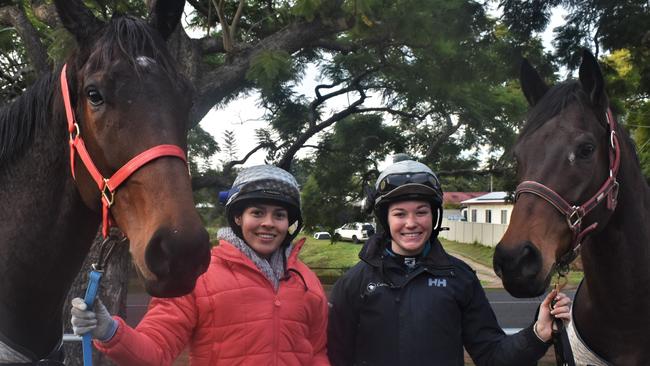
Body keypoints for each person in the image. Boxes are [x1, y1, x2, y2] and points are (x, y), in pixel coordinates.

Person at [71, 165, 330, 366]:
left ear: (290, 224)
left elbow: (317, 351)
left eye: (280, 215)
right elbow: (156, 350)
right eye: (257, 212)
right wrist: (109, 331)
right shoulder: (198, 275)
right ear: (238, 217)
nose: (269, 223)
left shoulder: (306, 280)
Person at [327, 159, 572, 366]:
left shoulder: (460, 277)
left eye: (421, 212)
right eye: (400, 214)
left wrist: (538, 333)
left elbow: (492, 355)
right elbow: (336, 358)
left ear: (434, 216)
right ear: (385, 219)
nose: (411, 223)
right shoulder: (354, 283)